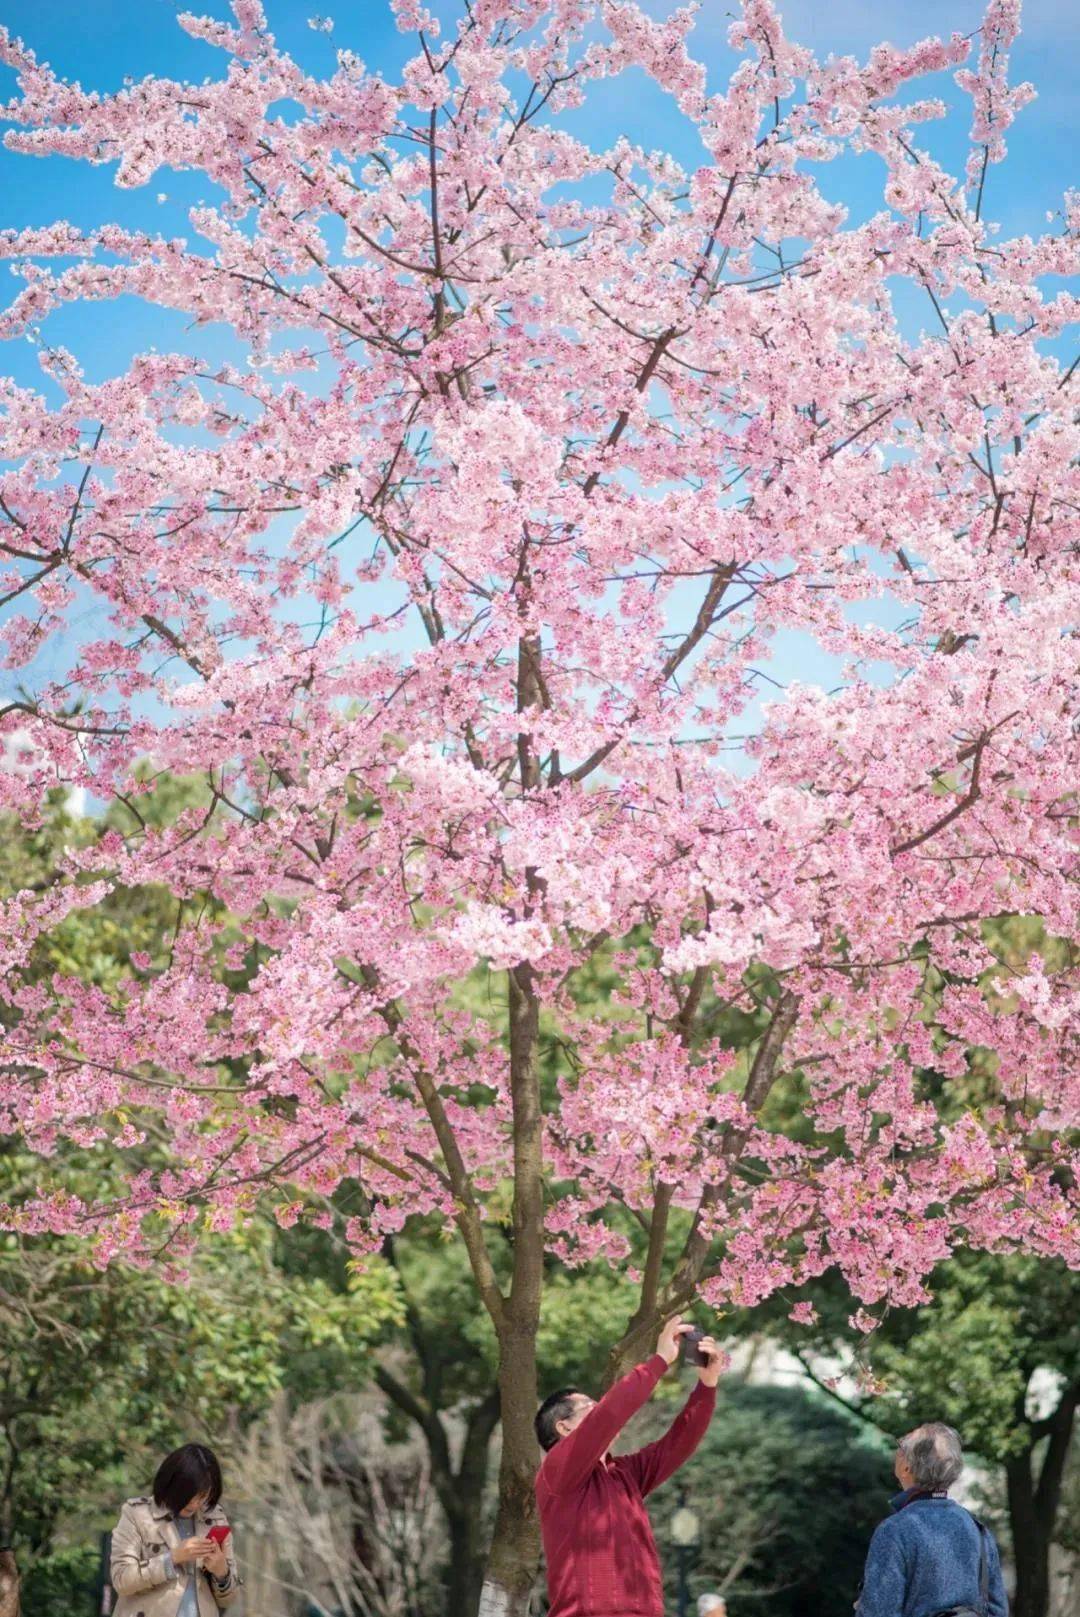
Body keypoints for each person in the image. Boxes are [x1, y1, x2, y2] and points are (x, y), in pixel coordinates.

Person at [535, 1314, 722, 1617]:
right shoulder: (557, 1471)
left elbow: (678, 1444)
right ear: (564, 1428)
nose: (599, 1409)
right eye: (589, 1408)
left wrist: (707, 1385)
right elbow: (609, 1414)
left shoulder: (624, 1475)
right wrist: (660, 1359)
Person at [856, 1424, 1007, 1617]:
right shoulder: (977, 1529)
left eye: (901, 1445)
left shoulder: (895, 1530)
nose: (897, 1449)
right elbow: (997, 1612)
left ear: (906, 1467)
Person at [110, 1443, 240, 1617]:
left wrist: (221, 1572)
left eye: (202, 1496)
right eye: (189, 1495)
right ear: (171, 1483)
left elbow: (228, 1600)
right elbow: (122, 1580)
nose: (194, 1504)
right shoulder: (137, 1514)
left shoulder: (216, 1519)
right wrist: (172, 1558)